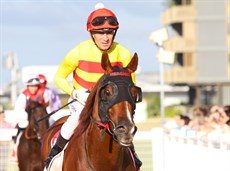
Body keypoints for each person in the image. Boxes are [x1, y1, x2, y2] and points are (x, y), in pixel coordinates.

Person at [44, 3, 142, 170]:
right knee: (72, 123)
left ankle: (133, 157)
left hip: (111, 104)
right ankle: (52, 157)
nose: (105, 38)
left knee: (124, 126)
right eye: (100, 33)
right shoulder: (78, 52)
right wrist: (75, 93)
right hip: (82, 102)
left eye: (110, 33)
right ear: (91, 33)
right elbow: (59, 77)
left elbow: (129, 87)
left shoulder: (124, 54)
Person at [11, 74, 52, 162]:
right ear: (27, 86)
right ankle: (16, 153)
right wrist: (30, 118)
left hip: (43, 120)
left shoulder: (45, 93)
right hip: (28, 121)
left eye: (35, 86)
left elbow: (49, 107)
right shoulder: (23, 95)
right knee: (18, 136)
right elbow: (18, 110)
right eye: (31, 86)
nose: (33, 88)